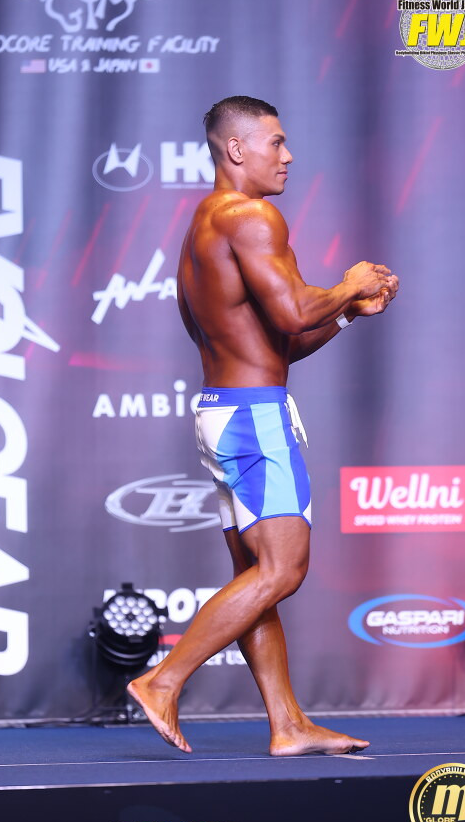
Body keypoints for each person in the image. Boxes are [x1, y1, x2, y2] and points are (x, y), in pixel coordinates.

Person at [128, 95, 399, 755]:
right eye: (275, 142)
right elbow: (295, 311)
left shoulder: (205, 224)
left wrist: (346, 312)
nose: (288, 155)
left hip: (228, 411)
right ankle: (163, 681)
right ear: (236, 148)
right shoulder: (251, 217)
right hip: (253, 420)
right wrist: (350, 282)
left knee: (258, 576)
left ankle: (288, 725)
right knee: (282, 569)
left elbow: (281, 342)